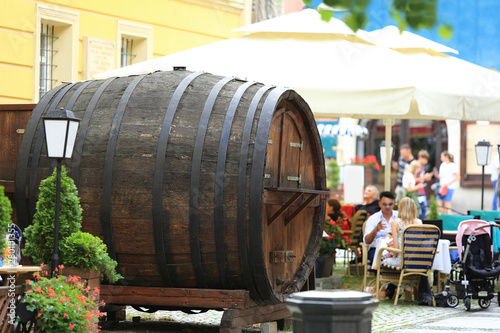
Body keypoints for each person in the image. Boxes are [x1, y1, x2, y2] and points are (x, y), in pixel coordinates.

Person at [381, 197, 422, 268]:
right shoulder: (419, 222)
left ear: (400, 208)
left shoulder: (396, 222)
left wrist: (389, 250)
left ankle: (391, 279)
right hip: (419, 262)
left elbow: (396, 251)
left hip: (402, 262)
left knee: (382, 260)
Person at [363, 191, 398, 264]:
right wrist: (376, 230)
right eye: (385, 204)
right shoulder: (373, 218)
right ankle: (381, 275)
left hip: (396, 249)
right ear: (379, 204)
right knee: (379, 260)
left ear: (394, 203)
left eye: (390, 204)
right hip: (377, 249)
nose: (387, 207)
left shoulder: (399, 216)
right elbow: (366, 241)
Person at [415, 150, 434, 219]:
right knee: (419, 210)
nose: (426, 162)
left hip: (422, 191)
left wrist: (426, 178)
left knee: (424, 210)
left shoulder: (422, 167)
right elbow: (412, 179)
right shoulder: (416, 166)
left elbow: (421, 178)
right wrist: (424, 177)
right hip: (417, 192)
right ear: (420, 157)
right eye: (425, 159)